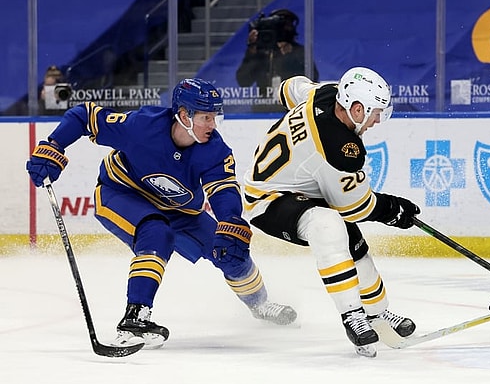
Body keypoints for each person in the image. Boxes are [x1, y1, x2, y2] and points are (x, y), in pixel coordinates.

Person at [25, 77, 297, 349]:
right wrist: (54, 144)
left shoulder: (215, 150)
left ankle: (260, 305)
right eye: (205, 117)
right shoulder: (141, 126)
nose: (212, 125)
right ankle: (135, 319)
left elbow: (223, 190)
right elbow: (84, 115)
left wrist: (230, 221)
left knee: (231, 253)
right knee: (156, 233)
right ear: (183, 115)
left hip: (180, 210)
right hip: (121, 193)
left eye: (215, 117)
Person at [241, 67, 420, 357]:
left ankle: (378, 313)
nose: (377, 120)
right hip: (267, 199)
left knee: (354, 245)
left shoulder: (325, 93)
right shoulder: (340, 148)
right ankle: (352, 315)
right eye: (376, 113)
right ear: (357, 108)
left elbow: (289, 87)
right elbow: (356, 206)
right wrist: (393, 209)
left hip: (303, 189)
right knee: (329, 225)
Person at [235, 9, 319, 112]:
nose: (282, 30)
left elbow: (312, 80)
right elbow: (243, 81)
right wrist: (252, 50)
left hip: (292, 110)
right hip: (263, 109)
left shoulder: (299, 52)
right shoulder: (259, 52)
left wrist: (290, 56)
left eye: (287, 25)